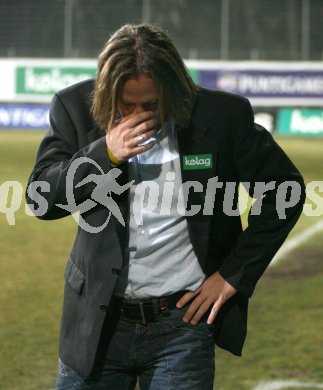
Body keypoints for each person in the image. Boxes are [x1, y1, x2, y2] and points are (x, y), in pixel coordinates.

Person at [26, 24, 305, 389]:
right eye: (126, 105)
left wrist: (233, 275)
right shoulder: (75, 107)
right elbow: (40, 199)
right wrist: (104, 154)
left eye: (151, 104)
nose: (139, 113)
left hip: (182, 327)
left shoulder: (220, 116)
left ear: (173, 90)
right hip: (96, 323)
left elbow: (285, 192)